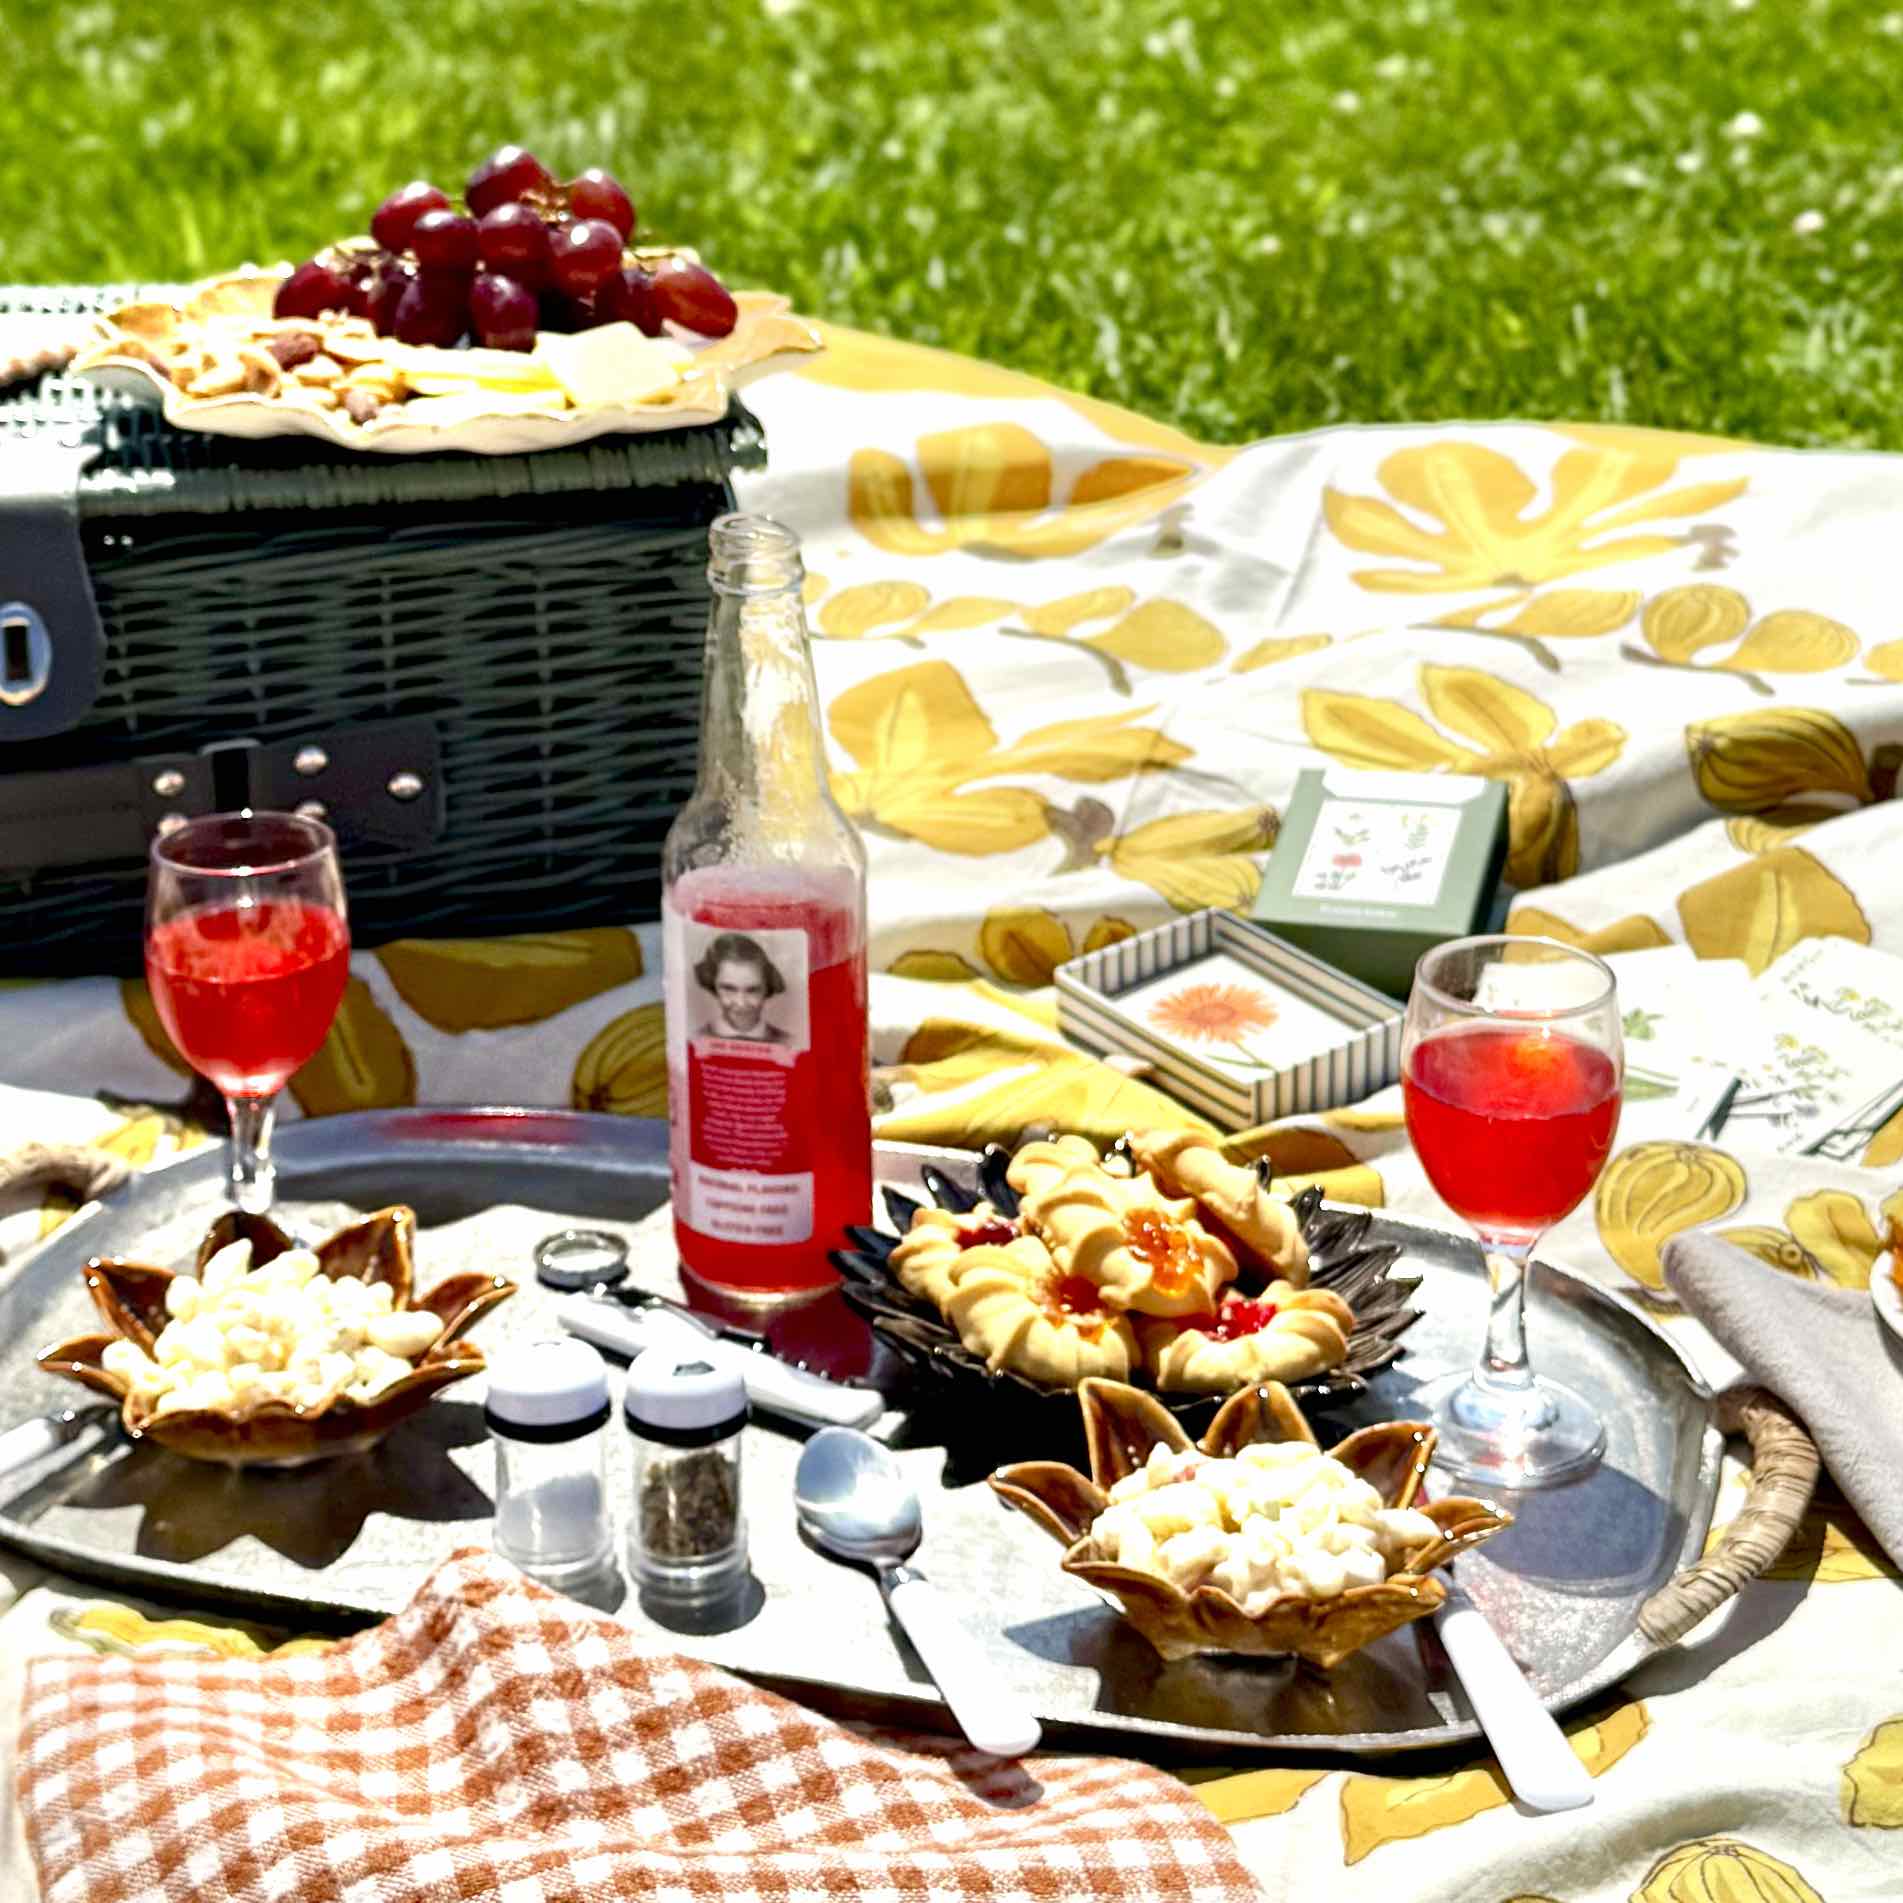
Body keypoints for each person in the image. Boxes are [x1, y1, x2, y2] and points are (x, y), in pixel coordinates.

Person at [692, 932, 791, 1043]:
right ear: (713, 986)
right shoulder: (696, 1039)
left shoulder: (788, 1042)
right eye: (729, 989)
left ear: (767, 988)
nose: (741, 1003)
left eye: (752, 990)